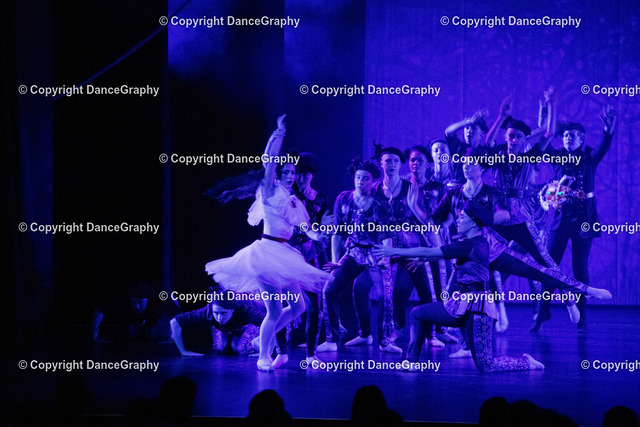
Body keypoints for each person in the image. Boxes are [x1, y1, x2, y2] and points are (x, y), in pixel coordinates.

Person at [204, 115, 331, 372]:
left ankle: (264, 338)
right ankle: (263, 355)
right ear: (278, 174)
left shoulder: (294, 201)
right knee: (273, 310)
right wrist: (279, 133)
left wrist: (321, 235)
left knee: (298, 307)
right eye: (286, 172)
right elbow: (270, 160)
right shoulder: (270, 190)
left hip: (285, 253)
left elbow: (306, 228)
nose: (290, 175)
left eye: (293, 172)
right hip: (265, 254)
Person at [374, 201, 546, 373]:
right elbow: (448, 254)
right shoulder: (473, 242)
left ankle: (527, 362)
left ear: (472, 223)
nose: (458, 220)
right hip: (460, 305)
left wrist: (394, 251)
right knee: (417, 313)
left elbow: (430, 250)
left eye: (462, 218)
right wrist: (426, 259)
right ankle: (411, 362)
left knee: (486, 365)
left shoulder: (471, 244)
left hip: (479, 308)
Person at [544, 106, 616, 332]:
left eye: (572, 135)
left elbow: (603, 147)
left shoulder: (589, 157)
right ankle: (543, 309)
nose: (568, 138)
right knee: (549, 265)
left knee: (580, 267)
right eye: (565, 135)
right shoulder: (557, 157)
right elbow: (544, 143)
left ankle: (582, 314)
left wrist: (608, 131)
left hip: (585, 219)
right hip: (559, 220)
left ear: (581, 139)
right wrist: (546, 111)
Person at [319, 158, 395, 353]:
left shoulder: (379, 203)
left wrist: (386, 258)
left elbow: (387, 234)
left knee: (383, 295)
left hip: (374, 253)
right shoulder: (344, 198)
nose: (360, 181)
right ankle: (331, 339)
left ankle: (385, 341)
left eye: (365, 178)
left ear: (373, 181)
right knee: (329, 290)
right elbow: (338, 232)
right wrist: (335, 261)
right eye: (358, 177)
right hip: (352, 252)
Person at [169, 290, 287, 361]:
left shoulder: (247, 309)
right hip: (226, 328)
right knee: (220, 349)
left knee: (240, 349)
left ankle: (255, 340)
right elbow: (174, 322)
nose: (219, 317)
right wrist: (183, 351)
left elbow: (275, 322)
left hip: (248, 325)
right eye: (216, 313)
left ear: (232, 310)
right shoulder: (207, 311)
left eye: (223, 313)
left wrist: (268, 349)